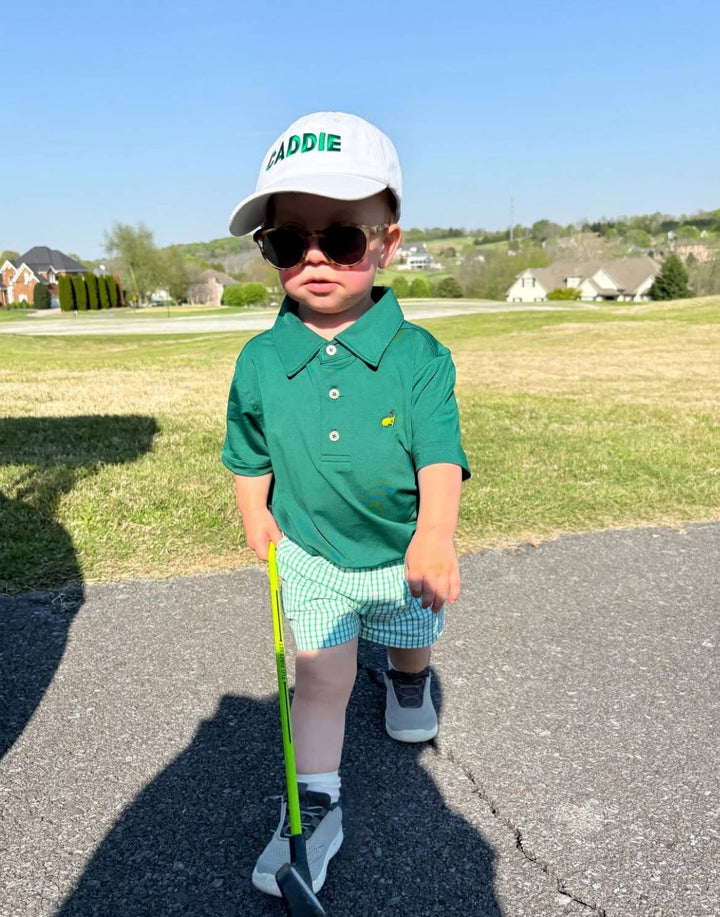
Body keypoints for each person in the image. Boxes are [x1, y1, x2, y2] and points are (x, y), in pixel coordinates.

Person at [222, 111, 470, 897]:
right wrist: (254, 511)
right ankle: (314, 804)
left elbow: (440, 453)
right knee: (321, 680)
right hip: (312, 556)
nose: (315, 258)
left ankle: (407, 679)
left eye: (341, 238)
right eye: (288, 242)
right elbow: (248, 449)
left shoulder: (418, 355)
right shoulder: (261, 358)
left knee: (410, 638)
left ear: (387, 243)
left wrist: (435, 535)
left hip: (402, 552)